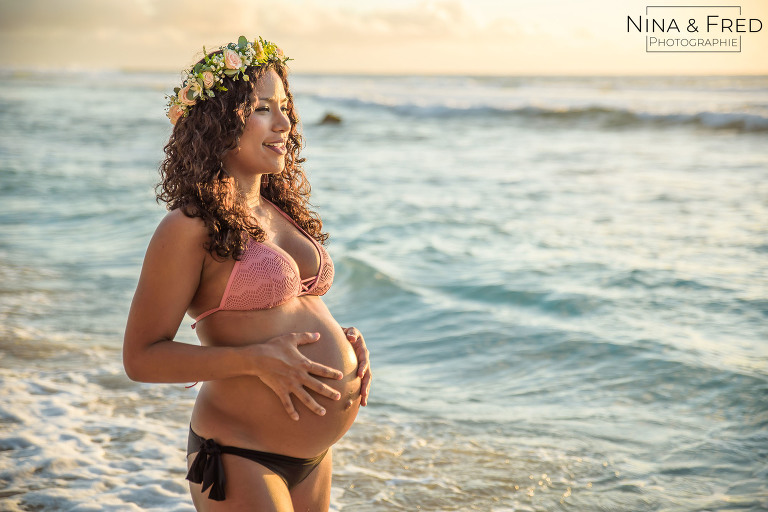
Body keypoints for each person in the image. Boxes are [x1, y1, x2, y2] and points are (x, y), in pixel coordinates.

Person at [123, 36, 372, 511]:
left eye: (285, 107)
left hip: (313, 456)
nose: (285, 123)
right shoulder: (188, 226)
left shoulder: (278, 210)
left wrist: (341, 340)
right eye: (262, 109)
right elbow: (141, 358)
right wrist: (257, 360)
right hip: (239, 453)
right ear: (219, 123)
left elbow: (282, 310)